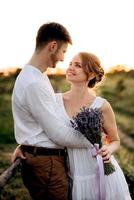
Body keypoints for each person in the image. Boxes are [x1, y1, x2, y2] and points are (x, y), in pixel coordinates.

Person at [11, 22, 92, 200]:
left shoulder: (36, 77)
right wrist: (93, 142)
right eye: (63, 51)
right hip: (47, 165)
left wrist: (26, 143)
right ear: (52, 46)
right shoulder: (34, 82)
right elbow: (58, 134)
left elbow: (39, 121)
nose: (63, 59)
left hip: (45, 160)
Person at [55, 52, 132, 200]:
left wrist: (108, 150)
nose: (70, 68)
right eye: (70, 64)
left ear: (90, 75)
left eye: (77, 65)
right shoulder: (56, 101)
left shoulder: (102, 105)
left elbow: (115, 140)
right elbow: (44, 129)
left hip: (104, 174)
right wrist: (23, 146)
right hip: (75, 175)